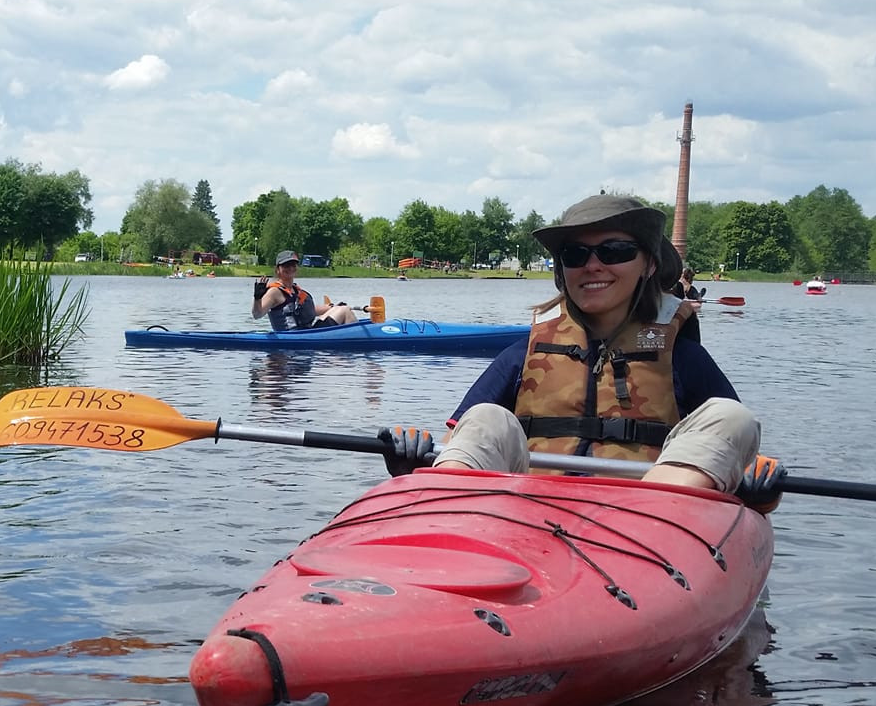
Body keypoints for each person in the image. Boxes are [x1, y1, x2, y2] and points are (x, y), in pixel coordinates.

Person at [377, 194, 781, 505]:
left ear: (649, 265)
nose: (593, 265)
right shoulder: (523, 353)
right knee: (486, 417)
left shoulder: (683, 358)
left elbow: (733, 453)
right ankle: (438, 504)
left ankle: (649, 520)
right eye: (575, 254)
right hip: (528, 509)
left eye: (615, 251)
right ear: (562, 270)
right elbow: (465, 439)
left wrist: (757, 487)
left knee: (731, 418)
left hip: (645, 524)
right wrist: (413, 460)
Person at [253, 251, 359, 330]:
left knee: (342, 309)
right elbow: (257, 314)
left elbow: (310, 311)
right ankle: (357, 341)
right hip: (292, 336)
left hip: (307, 332)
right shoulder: (274, 292)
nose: (290, 268)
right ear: (277, 269)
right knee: (345, 311)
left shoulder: (295, 290)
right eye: (286, 265)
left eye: (293, 265)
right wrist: (257, 298)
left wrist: (333, 307)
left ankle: (352, 340)